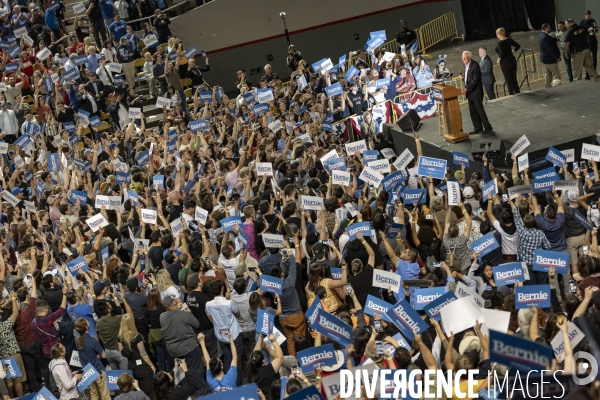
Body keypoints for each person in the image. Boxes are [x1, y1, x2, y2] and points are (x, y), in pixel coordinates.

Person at [160, 294, 211, 396]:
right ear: (174, 302)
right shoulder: (185, 315)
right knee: (196, 371)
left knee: (181, 373)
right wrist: (189, 314)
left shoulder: (162, 317)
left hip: (174, 351)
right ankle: (202, 393)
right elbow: (196, 324)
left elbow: (173, 318)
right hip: (189, 348)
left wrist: (177, 311)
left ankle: (187, 393)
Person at [205, 279, 243, 386]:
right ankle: (237, 385)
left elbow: (209, 315)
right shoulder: (229, 303)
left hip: (220, 336)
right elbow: (238, 314)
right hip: (233, 336)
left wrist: (217, 322)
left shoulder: (208, 304)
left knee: (227, 359)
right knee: (237, 361)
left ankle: (226, 384)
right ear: (222, 288)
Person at [74, 318, 111, 400]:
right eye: (87, 322)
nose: (88, 321)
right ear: (87, 327)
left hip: (88, 372)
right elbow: (103, 355)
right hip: (98, 370)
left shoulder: (77, 340)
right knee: (105, 395)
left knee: (94, 394)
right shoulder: (92, 341)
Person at [460, 51, 493, 135]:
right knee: (472, 111)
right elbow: (469, 78)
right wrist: (463, 78)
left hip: (476, 92)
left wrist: (466, 88)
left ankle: (488, 128)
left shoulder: (475, 65)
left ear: (469, 57)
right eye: (463, 58)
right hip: (470, 93)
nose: (464, 60)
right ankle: (478, 128)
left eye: (465, 58)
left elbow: (475, 80)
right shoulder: (465, 65)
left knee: (480, 111)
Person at [494, 27, 521, 95]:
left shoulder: (499, 44)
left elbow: (502, 52)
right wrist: (512, 51)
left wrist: (499, 59)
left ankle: (511, 93)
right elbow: (517, 45)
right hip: (512, 61)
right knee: (514, 78)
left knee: (508, 80)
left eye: (497, 34)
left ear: (499, 34)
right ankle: (517, 91)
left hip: (505, 63)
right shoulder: (509, 40)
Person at [539, 23, 562, 88]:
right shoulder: (545, 37)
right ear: (546, 28)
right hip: (550, 60)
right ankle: (557, 88)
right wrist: (556, 57)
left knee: (548, 75)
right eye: (549, 28)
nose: (550, 29)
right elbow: (550, 49)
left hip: (545, 60)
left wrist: (555, 38)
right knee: (556, 74)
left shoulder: (542, 35)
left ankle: (547, 88)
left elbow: (550, 40)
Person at [579, 10, 598, 76]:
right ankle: (588, 74)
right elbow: (580, 33)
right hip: (586, 42)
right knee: (587, 58)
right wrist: (588, 30)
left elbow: (596, 28)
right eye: (588, 16)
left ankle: (594, 72)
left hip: (593, 40)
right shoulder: (581, 23)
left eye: (590, 16)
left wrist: (595, 29)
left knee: (594, 57)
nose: (589, 17)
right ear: (584, 15)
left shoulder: (592, 20)